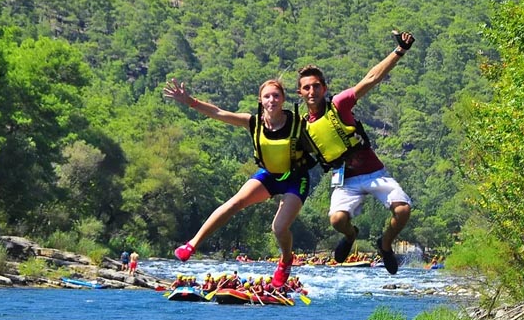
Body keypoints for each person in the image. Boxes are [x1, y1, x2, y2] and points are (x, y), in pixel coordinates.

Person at [163, 77, 315, 287]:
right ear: (260, 100)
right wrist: (190, 101)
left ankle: (286, 260)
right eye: (267, 96)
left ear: (283, 99)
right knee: (234, 203)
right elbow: (218, 113)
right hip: (269, 176)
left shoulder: (298, 123)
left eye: (276, 96)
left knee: (279, 228)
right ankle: (192, 244)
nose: (272, 100)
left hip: (296, 178)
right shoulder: (253, 122)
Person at [296, 30, 414, 275]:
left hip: (375, 173)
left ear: (324, 88)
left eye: (316, 86)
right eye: (306, 88)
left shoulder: (339, 104)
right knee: (337, 220)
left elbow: (371, 79)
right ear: (300, 93)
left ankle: (385, 244)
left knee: (403, 210)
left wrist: (399, 51)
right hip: (345, 181)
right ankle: (351, 236)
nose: (312, 91)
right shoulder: (302, 126)